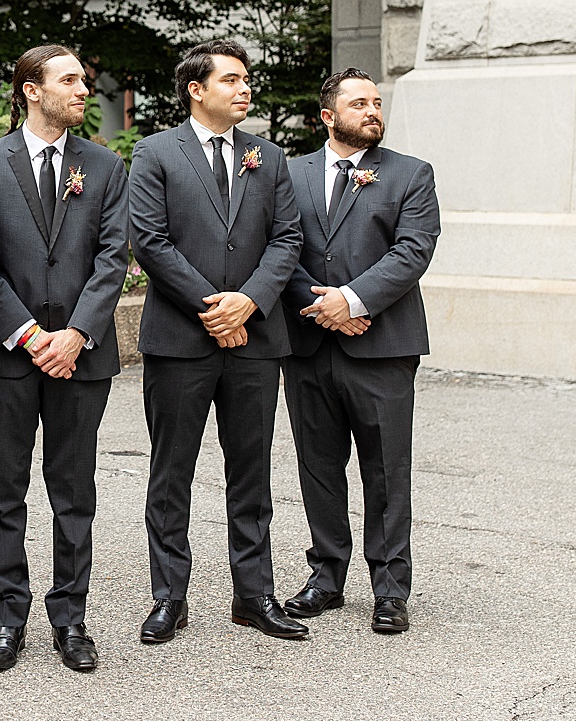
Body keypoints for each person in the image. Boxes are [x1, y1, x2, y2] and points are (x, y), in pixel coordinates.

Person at [127, 38, 307, 642]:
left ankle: (254, 594)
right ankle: (169, 596)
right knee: (171, 471)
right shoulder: (155, 153)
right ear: (196, 90)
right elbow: (150, 240)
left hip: (256, 340)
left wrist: (248, 302)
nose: (244, 88)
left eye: (246, 79)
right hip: (182, 338)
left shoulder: (270, 157)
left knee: (252, 472)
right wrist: (213, 306)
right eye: (230, 79)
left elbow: (287, 239)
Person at [0, 45, 129, 674]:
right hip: (9, 356)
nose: (83, 89)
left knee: (74, 490)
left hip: (81, 357)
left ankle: (70, 616)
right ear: (31, 90)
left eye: (84, 81)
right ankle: (9, 614)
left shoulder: (106, 167)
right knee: (4, 490)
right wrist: (30, 333)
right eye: (68, 81)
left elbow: (113, 258)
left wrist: (75, 334)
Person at [279, 68, 440, 635]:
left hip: (382, 346)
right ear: (328, 116)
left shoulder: (410, 175)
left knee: (386, 468)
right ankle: (326, 577)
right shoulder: (288, 173)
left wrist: (351, 300)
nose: (373, 110)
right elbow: (279, 247)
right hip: (306, 342)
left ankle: (391, 588)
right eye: (359, 103)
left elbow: (413, 250)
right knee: (318, 467)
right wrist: (319, 306)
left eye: (377, 102)